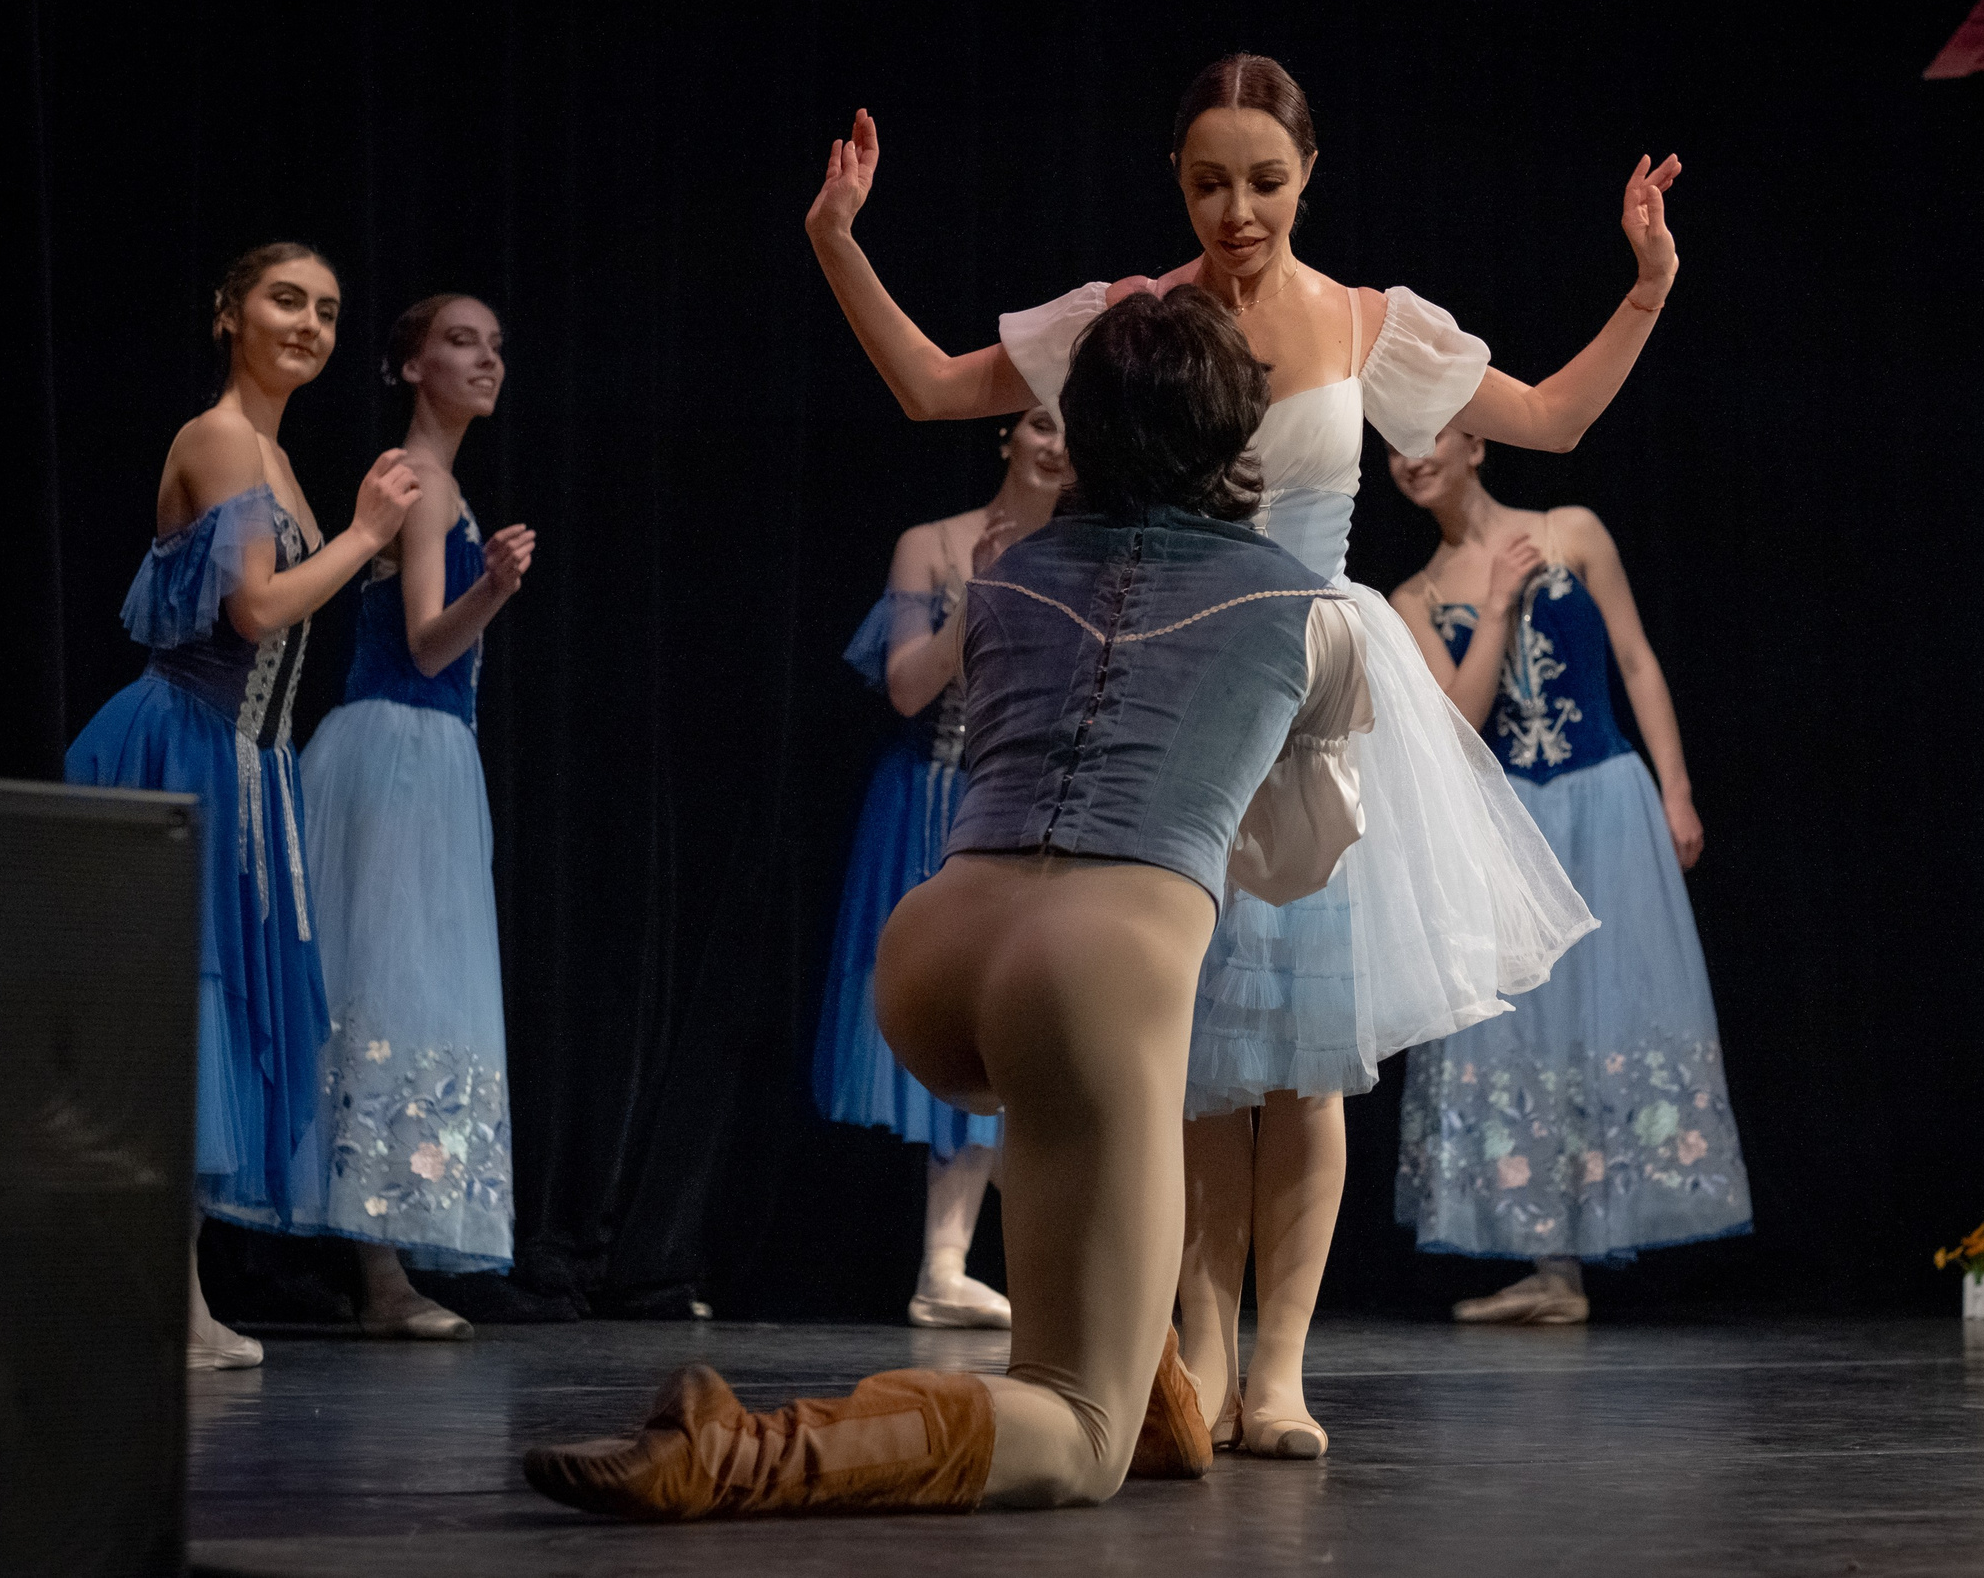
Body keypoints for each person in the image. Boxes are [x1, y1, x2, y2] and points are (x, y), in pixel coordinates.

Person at [800, 52, 1678, 1455]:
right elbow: (929, 387)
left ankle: (1281, 1368)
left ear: (1309, 173)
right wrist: (838, 240)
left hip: (1313, 676)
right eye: (1210, 181)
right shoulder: (1129, 320)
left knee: (1306, 1057)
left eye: (1264, 180)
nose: (1238, 208)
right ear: (1177, 180)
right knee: (1194, 1050)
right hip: (1168, 677)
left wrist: (1644, 284)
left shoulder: (1367, 324)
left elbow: (1553, 418)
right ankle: (1196, 1355)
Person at [524, 285, 1372, 1518]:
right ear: (1243, 438)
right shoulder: (1314, 618)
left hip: (932, 947)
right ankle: (744, 1452)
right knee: (1077, 1435)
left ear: (1076, 432)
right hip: (1092, 975)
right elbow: (1292, 861)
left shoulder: (1005, 577)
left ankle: (1150, 1389)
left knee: (1140, 1402)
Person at [67, 242, 422, 1370]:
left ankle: (178, 1292)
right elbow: (258, 607)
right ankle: (165, 1298)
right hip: (187, 750)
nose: (309, 324)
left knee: (213, 1013)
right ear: (229, 313)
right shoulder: (220, 437)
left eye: (326, 309)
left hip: (250, 764)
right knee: (187, 1012)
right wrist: (367, 535)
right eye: (285, 300)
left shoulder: (270, 451)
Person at [1385, 426, 1751, 1321]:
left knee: (1611, 1000)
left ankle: (1588, 1248)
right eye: (1391, 447)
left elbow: (1635, 659)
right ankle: (1553, 1268)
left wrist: (1676, 788)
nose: (1410, 457)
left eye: (1426, 435)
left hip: (1605, 799)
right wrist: (1499, 603)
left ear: (1474, 441)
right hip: (1507, 819)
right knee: (1522, 1021)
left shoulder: (1571, 530)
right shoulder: (1414, 597)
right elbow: (1458, 731)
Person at [299, 294, 535, 1339]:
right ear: (407, 367)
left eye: (492, 347)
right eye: (457, 342)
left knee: (386, 991)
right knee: (388, 992)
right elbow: (433, 643)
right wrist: (494, 589)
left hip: (415, 751)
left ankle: (380, 1267)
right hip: (401, 748)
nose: (483, 360)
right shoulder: (422, 478)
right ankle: (382, 1278)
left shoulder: (434, 477)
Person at [815, 407, 1070, 1328]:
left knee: (1033, 1039)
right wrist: (983, 594)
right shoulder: (933, 544)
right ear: (1007, 435)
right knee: (966, 1033)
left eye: (1078, 426)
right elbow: (908, 684)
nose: (1058, 442)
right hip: (937, 801)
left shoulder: (1084, 554)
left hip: (1033, 807)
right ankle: (944, 1263)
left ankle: (983, 1261)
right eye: (1042, 421)